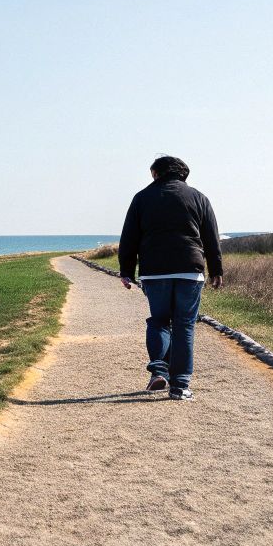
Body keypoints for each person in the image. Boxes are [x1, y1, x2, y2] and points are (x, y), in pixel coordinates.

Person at [116, 155, 223, 400]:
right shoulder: (199, 197)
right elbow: (211, 237)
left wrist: (126, 271)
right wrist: (216, 269)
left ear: (156, 173)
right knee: (184, 326)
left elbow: (129, 237)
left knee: (159, 321)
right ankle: (180, 386)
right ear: (183, 174)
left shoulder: (141, 198)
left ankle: (159, 371)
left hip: (154, 271)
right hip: (189, 269)